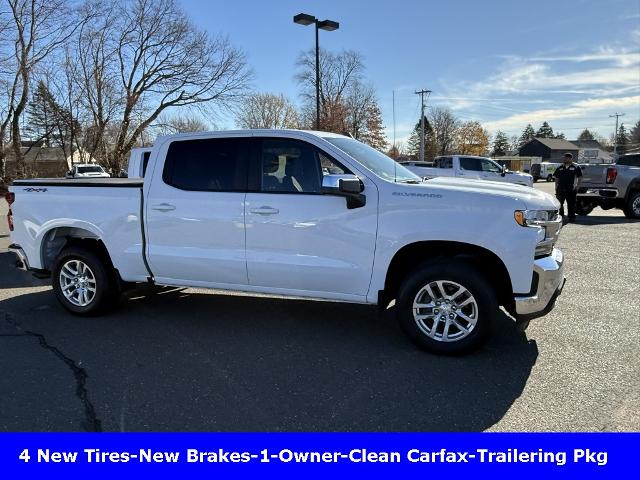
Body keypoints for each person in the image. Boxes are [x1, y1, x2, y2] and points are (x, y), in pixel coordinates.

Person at [553, 153, 582, 222]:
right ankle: (561, 216)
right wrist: (556, 187)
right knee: (559, 204)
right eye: (564, 158)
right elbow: (556, 178)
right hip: (560, 189)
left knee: (571, 204)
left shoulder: (576, 166)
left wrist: (577, 186)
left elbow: (580, 177)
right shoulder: (560, 167)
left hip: (571, 189)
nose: (565, 159)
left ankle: (571, 217)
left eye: (567, 158)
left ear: (570, 159)